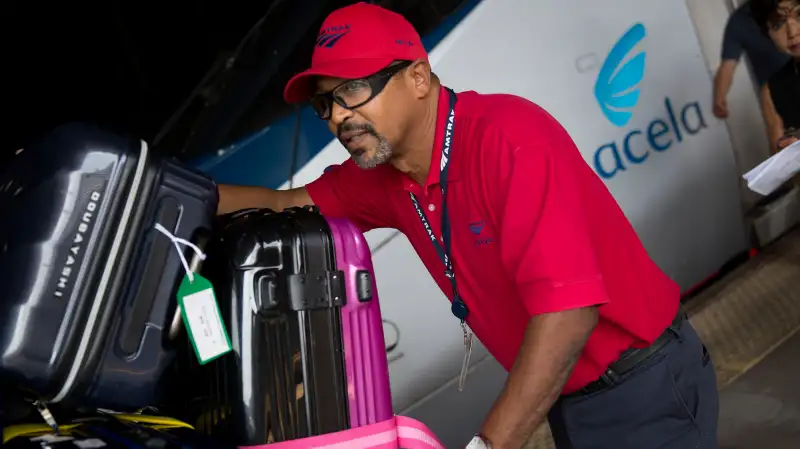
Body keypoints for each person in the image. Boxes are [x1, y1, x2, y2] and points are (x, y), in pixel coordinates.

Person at [218, 3, 719, 448]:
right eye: (325, 103)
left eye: (352, 90)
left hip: (644, 387)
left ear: (417, 78)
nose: (337, 117)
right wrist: (162, 189)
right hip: (572, 398)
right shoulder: (385, 172)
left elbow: (569, 316)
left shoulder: (510, 139)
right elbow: (283, 206)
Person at [713, 0, 789, 119]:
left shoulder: (789, 5)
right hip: (779, 98)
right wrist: (719, 98)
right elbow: (727, 66)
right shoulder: (739, 21)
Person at [751, 0, 800, 151]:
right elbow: (781, 168)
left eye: (799, 15)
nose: (792, 32)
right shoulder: (772, 91)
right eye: (778, 24)